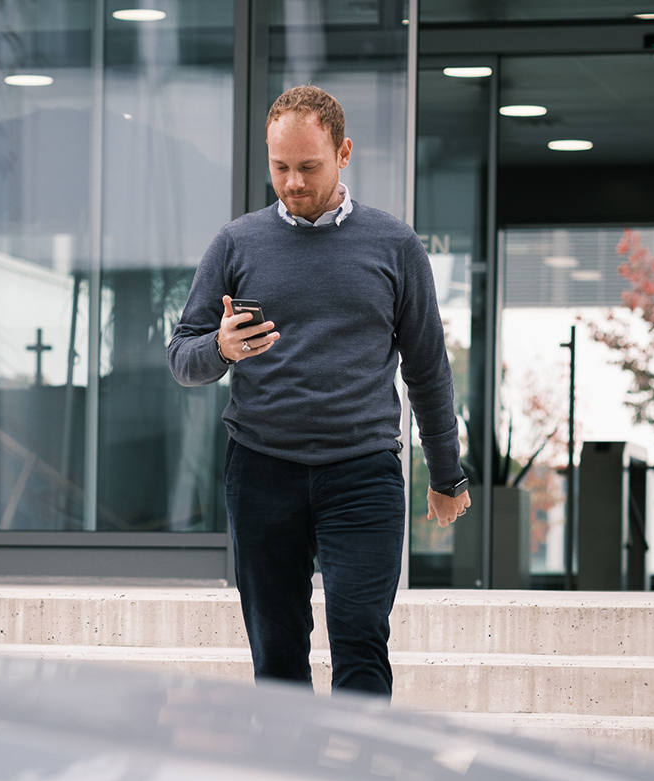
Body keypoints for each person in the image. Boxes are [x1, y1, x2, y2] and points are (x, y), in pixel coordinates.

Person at [166, 85, 471, 697]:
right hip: (261, 472)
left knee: (360, 636)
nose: (294, 182)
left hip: (363, 473)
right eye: (280, 167)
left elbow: (428, 368)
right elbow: (182, 357)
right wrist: (221, 348)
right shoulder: (236, 244)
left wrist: (446, 475)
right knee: (276, 654)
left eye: (309, 167)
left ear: (344, 153)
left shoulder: (394, 246)